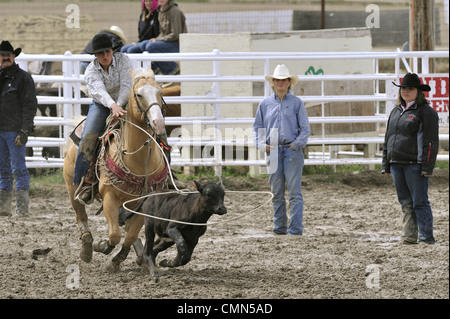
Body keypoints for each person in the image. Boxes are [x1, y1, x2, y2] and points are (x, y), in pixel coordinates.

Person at [74, 34, 132, 204]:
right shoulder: (91, 71)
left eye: (107, 51)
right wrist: (113, 106)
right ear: (95, 56)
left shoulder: (123, 60)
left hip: (126, 101)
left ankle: (165, 173)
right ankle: (83, 181)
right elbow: (99, 92)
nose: (105, 56)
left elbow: (127, 84)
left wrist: (119, 105)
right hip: (101, 105)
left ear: (112, 50)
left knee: (154, 126)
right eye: (100, 53)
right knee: (88, 136)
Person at [382, 73, 439, 245]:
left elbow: (430, 142)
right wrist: (386, 163)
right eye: (403, 88)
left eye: (410, 89)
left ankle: (426, 237)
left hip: (415, 164)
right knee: (405, 202)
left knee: (419, 202)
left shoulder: (426, 113)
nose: (406, 91)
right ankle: (409, 236)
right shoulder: (395, 111)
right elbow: (388, 138)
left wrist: (427, 167)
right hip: (397, 164)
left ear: (418, 91)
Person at [253, 64, 310, 235]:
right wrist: (263, 145)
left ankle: (294, 229)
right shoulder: (265, 104)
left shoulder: (296, 103)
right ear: (274, 82)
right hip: (274, 150)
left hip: (291, 149)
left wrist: (296, 144)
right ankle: (280, 228)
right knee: (276, 192)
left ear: (288, 82)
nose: (280, 83)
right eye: (277, 80)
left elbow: (305, 128)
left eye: (283, 80)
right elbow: (258, 128)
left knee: (294, 193)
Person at [0, 40, 38, 217]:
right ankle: (4, 207)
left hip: (14, 130)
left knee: (18, 169)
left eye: (8, 54)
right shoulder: (20, 77)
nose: (5, 57)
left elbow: (29, 105)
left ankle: (21, 208)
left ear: (14, 56)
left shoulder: (23, 78)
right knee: (4, 169)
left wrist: (24, 130)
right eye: (2, 55)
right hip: (4, 130)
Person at [144, 0, 187, 75]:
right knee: (144, 45)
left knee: (150, 47)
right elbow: (162, 33)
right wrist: (155, 39)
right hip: (167, 43)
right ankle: (156, 72)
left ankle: (173, 69)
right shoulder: (160, 10)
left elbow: (175, 35)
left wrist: (157, 40)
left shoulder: (174, 11)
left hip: (177, 45)